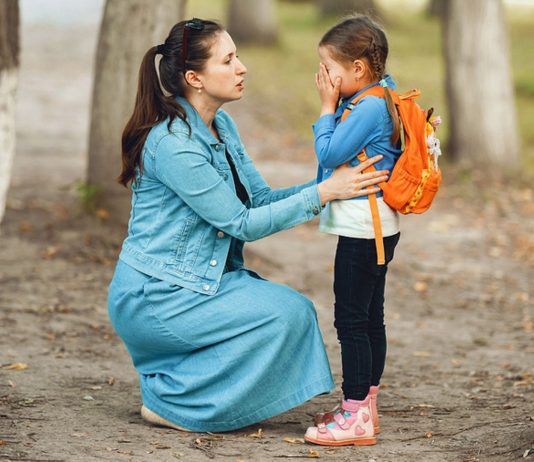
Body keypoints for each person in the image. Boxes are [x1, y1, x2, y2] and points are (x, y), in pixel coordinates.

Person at [107, 18, 389, 433]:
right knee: (285, 316)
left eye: (237, 55)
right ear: (194, 78)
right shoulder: (174, 145)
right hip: (158, 296)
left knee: (291, 314)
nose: (242, 67)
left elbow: (259, 199)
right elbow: (241, 222)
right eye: (228, 60)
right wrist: (325, 194)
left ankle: (179, 383)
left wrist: (332, 183)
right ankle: (171, 401)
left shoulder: (221, 124)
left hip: (201, 281)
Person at [304, 16, 401, 446]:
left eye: (329, 68)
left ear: (359, 69)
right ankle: (367, 408)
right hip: (377, 226)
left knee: (351, 322)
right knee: (369, 317)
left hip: (365, 229)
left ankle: (355, 413)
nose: (323, 77)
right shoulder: (379, 95)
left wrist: (326, 107)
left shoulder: (368, 107)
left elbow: (329, 151)